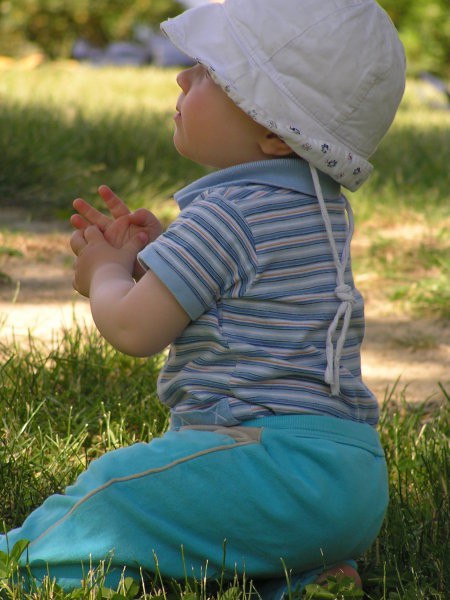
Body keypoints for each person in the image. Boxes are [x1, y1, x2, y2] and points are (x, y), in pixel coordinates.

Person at [0, 0, 406, 596]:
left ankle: (21, 559)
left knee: (118, 489)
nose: (182, 76)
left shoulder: (226, 214)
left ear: (273, 132)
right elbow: (240, 293)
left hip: (268, 469)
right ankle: (307, 578)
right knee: (202, 536)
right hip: (350, 482)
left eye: (212, 72)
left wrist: (108, 273)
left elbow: (135, 331)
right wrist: (156, 260)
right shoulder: (320, 213)